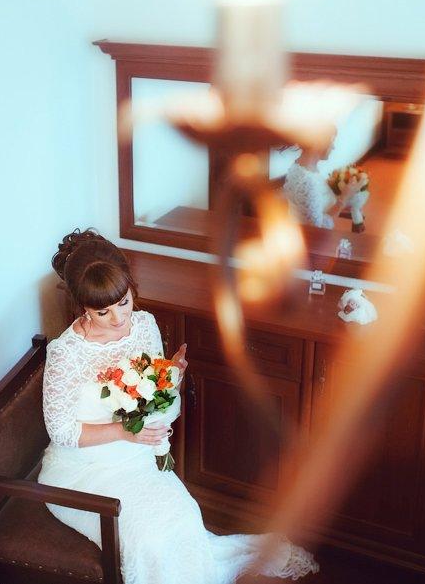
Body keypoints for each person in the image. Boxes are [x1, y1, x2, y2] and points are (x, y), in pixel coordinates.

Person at [38, 229, 319, 584]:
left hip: (137, 458)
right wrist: (124, 431)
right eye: (102, 311)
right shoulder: (66, 354)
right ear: (83, 307)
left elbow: (158, 405)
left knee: (186, 518)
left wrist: (170, 378)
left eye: (124, 302)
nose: (118, 318)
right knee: (149, 541)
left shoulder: (144, 326)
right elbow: (62, 432)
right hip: (82, 474)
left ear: (131, 289)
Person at [281, 146, 360, 229]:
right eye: (331, 141)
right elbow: (318, 229)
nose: (333, 147)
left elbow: (314, 200)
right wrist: (344, 198)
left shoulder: (300, 166)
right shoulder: (306, 181)